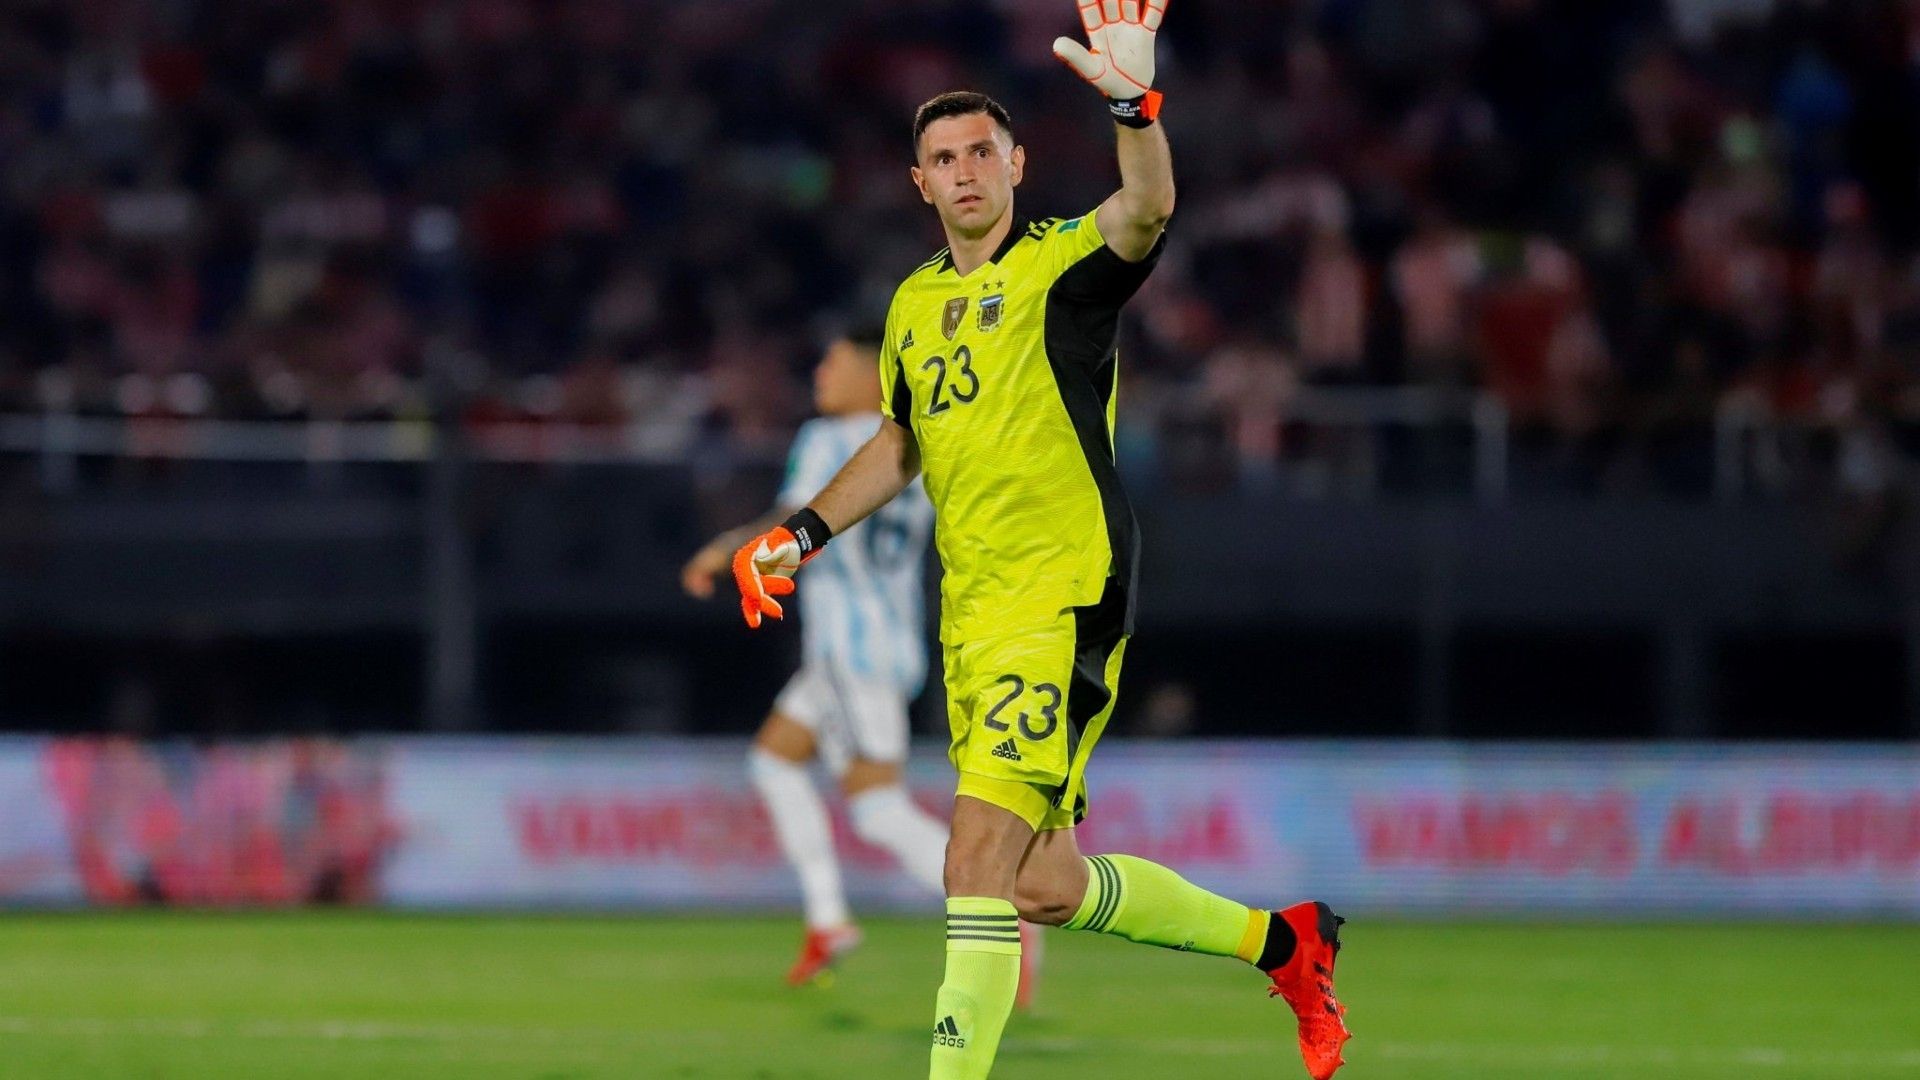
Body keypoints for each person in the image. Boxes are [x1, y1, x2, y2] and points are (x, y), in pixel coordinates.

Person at [729, 3, 1349, 1078]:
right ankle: (1286, 944)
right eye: (942, 159)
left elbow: (1147, 208)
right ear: (920, 184)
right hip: (974, 611)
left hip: (1059, 594)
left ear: (1015, 163)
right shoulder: (915, 305)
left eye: (981, 152)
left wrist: (1131, 104)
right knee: (1042, 885)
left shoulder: (1063, 267)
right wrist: (798, 534)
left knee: (970, 858)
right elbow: (901, 443)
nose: (965, 171)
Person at [684, 327, 1043, 1001]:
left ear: (874, 373)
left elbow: (794, 520)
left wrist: (725, 551)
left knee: (877, 808)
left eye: (834, 360)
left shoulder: (830, 439)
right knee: (773, 759)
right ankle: (828, 920)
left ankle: (1002, 906)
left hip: (851, 650)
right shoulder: (925, 438)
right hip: (891, 640)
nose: (820, 372)